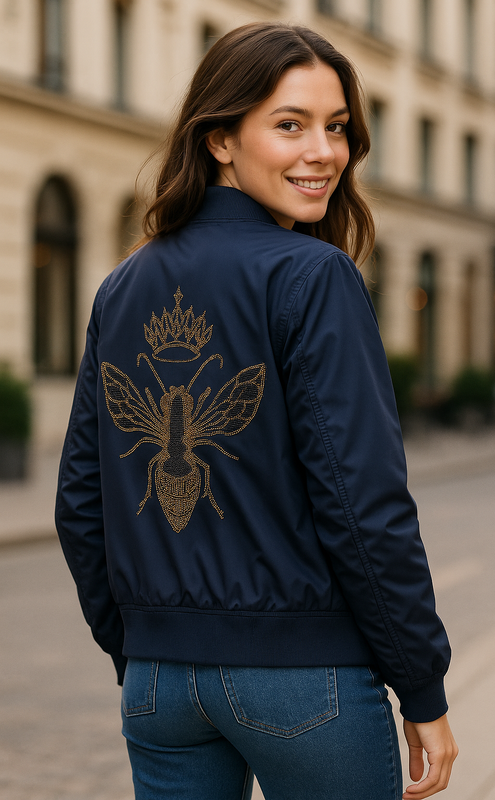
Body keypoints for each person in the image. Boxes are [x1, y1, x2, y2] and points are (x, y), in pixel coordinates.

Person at [55, 21, 458, 800]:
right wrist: (423, 687)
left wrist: (143, 646)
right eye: (289, 125)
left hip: (160, 686)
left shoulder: (123, 284)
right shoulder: (312, 276)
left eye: (336, 127)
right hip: (304, 682)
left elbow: (80, 500)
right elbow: (362, 506)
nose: (323, 152)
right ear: (219, 140)